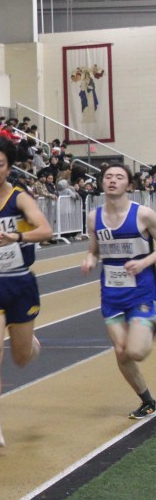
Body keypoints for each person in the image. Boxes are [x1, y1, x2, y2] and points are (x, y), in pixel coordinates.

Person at [0, 139, 51, 447]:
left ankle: (29, 343)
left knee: (21, 357)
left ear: (9, 167)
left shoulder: (20, 198)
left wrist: (15, 236)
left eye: (0, 164)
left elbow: (46, 230)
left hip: (20, 284)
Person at [81, 163, 156, 419]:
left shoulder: (144, 215)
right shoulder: (94, 217)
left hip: (142, 292)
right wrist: (90, 259)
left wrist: (144, 262)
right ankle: (147, 401)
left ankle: (151, 322)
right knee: (122, 352)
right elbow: (94, 250)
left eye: (119, 177)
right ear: (102, 182)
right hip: (112, 295)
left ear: (129, 185)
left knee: (136, 351)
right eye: (108, 176)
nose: (112, 180)